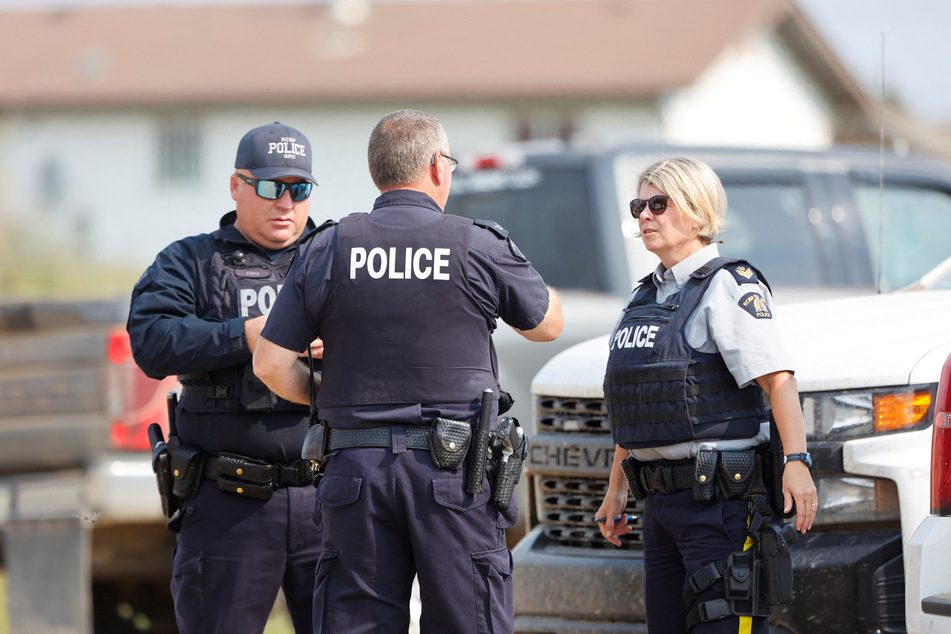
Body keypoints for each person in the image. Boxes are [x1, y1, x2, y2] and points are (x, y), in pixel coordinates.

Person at [252, 108, 564, 633]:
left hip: (354, 474)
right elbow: (547, 325)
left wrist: (328, 400)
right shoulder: (476, 244)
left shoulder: (328, 247)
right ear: (439, 167)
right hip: (453, 478)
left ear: (379, 172)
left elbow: (271, 363)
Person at [594, 157, 818, 634]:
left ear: (696, 213)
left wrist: (797, 462)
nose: (644, 216)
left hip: (720, 506)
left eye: (659, 204)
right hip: (659, 511)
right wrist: (615, 490)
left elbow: (779, 379)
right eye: (639, 205)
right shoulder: (643, 299)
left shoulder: (727, 287)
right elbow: (639, 406)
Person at [127, 122, 324, 634]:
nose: (285, 202)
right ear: (236, 185)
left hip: (329, 500)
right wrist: (249, 336)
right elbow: (151, 342)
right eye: (269, 186)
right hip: (228, 505)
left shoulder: (337, 258)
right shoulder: (191, 261)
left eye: (298, 189)